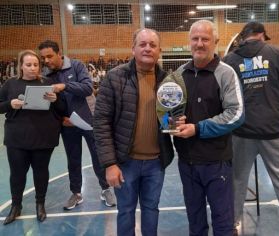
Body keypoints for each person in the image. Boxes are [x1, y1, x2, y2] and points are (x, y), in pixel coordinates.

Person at [223, 21, 279, 236]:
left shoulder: (229, 60)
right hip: (274, 130)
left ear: (243, 37)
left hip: (241, 131)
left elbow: (222, 98)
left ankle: (231, 227)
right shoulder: (278, 55)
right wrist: (275, 100)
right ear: (261, 35)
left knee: (236, 181)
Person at [93, 28, 174, 236]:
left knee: (151, 210)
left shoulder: (169, 81)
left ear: (159, 51)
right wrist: (110, 164)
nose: (148, 48)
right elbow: (101, 122)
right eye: (143, 44)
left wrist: (175, 121)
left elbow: (170, 119)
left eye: (153, 45)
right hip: (125, 162)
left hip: (156, 162)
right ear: (133, 49)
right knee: (126, 211)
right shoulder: (114, 78)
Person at [172, 20, 244, 236]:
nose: (200, 44)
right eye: (195, 39)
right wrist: (172, 122)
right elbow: (171, 111)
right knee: (195, 223)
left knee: (223, 223)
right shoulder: (179, 74)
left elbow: (236, 114)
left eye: (205, 39)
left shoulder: (226, 73)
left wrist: (197, 128)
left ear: (216, 42)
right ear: (189, 42)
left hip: (217, 163)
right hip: (187, 162)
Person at [38, 40, 116, 210]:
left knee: (98, 156)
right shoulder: (46, 75)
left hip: (89, 121)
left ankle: (106, 189)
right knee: (73, 159)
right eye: (43, 58)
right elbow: (49, 104)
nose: (46, 61)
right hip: (67, 124)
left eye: (50, 56)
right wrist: (61, 119)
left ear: (59, 54)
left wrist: (64, 86)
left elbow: (87, 88)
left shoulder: (76, 66)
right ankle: (76, 193)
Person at [0, 50, 65, 224]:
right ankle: (16, 206)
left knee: (41, 173)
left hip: (43, 137)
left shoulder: (48, 83)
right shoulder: (10, 85)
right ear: (21, 66)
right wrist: (9, 104)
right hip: (17, 138)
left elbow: (61, 110)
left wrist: (55, 100)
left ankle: (40, 204)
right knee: (17, 174)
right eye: (28, 65)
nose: (32, 68)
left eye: (36, 65)